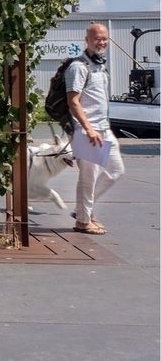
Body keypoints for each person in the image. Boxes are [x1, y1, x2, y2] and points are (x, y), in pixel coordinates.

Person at [68, 23, 124, 235]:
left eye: (104, 39)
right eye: (96, 38)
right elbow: (73, 102)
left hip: (104, 128)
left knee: (116, 170)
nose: (101, 42)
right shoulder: (79, 67)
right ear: (87, 40)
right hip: (88, 130)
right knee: (88, 178)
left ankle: (82, 210)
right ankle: (83, 221)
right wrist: (88, 129)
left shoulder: (101, 66)